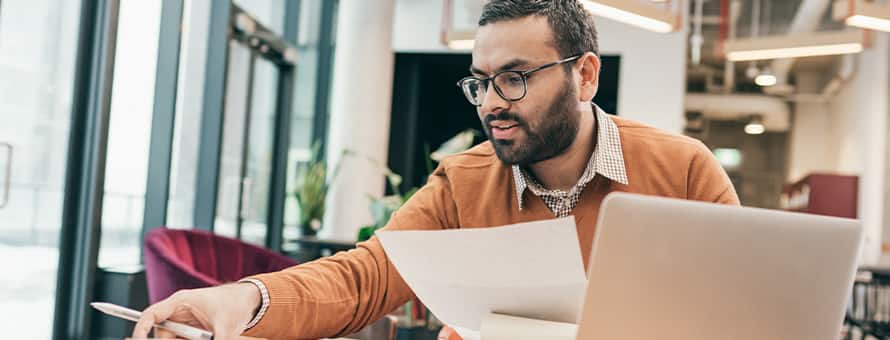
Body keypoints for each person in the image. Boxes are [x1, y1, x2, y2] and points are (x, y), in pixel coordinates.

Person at [133, 0, 739, 339]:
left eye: (515, 78)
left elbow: (740, 317)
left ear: (584, 75)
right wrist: (244, 301)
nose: (492, 102)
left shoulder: (683, 172)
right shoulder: (464, 181)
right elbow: (363, 278)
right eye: (481, 82)